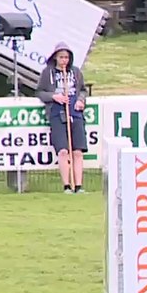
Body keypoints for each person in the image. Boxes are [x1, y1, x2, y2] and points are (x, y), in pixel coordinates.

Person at [35, 42, 88, 194]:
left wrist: (81, 100)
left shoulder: (76, 72)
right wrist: (54, 96)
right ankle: (66, 185)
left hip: (75, 113)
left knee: (77, 151)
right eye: (61, 57)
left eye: (66, 57)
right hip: (57, 114)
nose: (64, 60)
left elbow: (83, 90)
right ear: (55, 58)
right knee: (63, 151)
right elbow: (39, 92)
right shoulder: (47, 73)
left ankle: (78, 185)